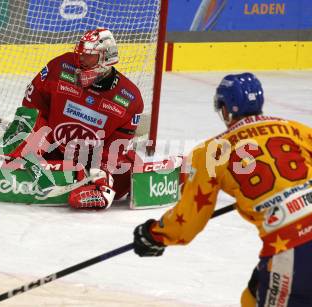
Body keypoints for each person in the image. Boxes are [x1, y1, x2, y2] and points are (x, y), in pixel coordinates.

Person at [132, 72, 312, 307]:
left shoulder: (211, 152)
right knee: (251, 297)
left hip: (292, 248)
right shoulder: (297, 130)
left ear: (225, 109)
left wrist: (156, 234)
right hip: (294, 246)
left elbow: (189, 220)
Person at [7, 28, 144, 209]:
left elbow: (115, 148)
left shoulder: (129, 99)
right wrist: (32, 140)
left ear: (106, 58)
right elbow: (33, 108)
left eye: (89, 56)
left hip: (89, 163)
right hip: (51, 150)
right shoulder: (59, 67)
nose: (81, 60)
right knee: (18, 145)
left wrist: (99, 171)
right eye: (80, 54)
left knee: (125, 171)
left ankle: (100, 187)